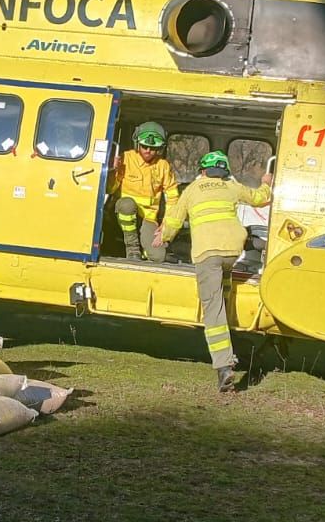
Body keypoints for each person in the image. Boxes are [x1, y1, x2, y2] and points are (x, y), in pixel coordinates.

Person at [157, 150, 273, 393]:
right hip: (231, 252)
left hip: (208, 255)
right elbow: (260, 198)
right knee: (225, 293)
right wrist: (266, 182)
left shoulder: (192, 190)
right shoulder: (231, 187)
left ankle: (224, 367)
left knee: (213, 310)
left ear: (202, 171)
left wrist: (164, 238)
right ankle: (234, 346)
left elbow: (175, 221)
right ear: (225, 172)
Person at [108, 121, 178, 261]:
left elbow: (172, 198)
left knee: (158, 257)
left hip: (148, 218)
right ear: (137, 144)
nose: (148, 151)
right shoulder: (126, 158)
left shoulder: (163, 166)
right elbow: (110, 188)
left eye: (153, 148)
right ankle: (132, 249)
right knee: (127, 204)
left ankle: (145, 251)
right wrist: (114, 171)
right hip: (124, 212)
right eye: (145, 146)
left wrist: (166, 224)